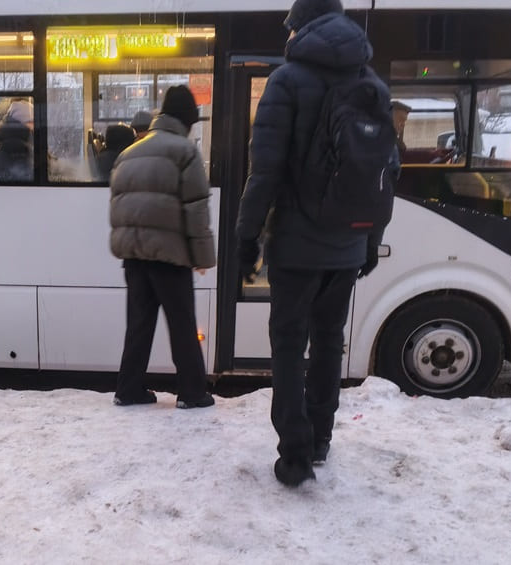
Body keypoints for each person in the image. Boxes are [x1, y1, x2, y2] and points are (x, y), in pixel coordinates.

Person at [235, 0, 391, 486]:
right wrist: (370, 240)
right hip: (347, 245)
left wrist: (246, 237)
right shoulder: (373, 84)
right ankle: (321, 437)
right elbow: (385, 175)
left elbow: (265, 172)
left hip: (297, 245)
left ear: (301, 26)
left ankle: (296, 454)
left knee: (287, 344)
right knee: (328, 341)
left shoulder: (287, 82)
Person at [109, 85, 216, 409]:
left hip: (134, 257)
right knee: (182, 325)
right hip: (170, 258)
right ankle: (193, 392)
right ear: (186, 120)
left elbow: (119, 207)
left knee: (139, 325)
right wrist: (202, 258)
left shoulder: (130, 152)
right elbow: (195, 208)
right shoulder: (184, 152)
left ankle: (128, 390)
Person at [0, 100, 34, 181]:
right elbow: (25, 175)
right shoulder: (16, 145)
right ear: (24, 121)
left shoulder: (12, 137)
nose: (34, 124)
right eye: (32, 121)